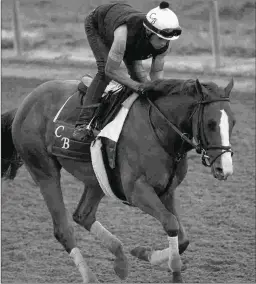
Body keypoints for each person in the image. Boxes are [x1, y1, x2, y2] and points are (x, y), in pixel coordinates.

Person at [73, 1, 182, 141]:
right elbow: (110, 70)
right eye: (161, 39)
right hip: (99, 24)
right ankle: (82, 123)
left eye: (167, 40)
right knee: (104, 71)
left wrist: (159, 95)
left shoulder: (163, 41)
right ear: (149, 32)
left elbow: (156, 74)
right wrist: (137, 86)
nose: (164, 43)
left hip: (131, 35)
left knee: (140, 79)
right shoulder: (122, 35)